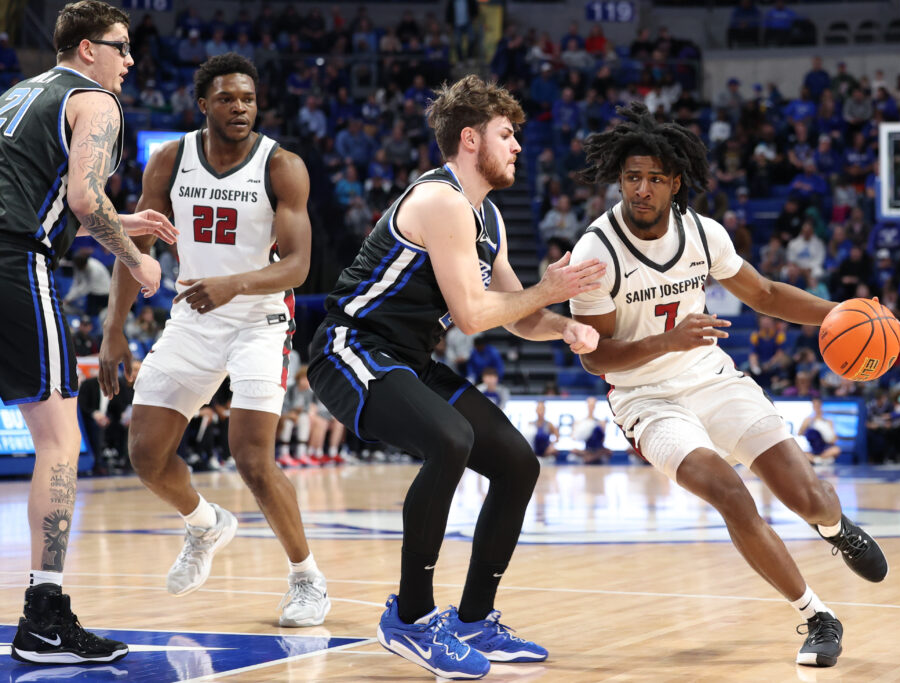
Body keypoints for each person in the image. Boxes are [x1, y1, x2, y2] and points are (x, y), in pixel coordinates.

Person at [570, 103, 889, 668]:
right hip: (646, 401)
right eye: (630, 178)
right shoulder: (597, 252)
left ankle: (835, 529)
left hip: (713, 379)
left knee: (808, 498)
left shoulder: (702, 233)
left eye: (653, 179)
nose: (640, 189)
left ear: (675, 183)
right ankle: (817, 615)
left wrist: (840, 314)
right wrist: (669, 341)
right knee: (731, 496)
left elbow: (763, 294)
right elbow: (598, 360)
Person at [306, 75, 603, 679]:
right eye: (506, 134)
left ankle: (473, 619)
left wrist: (564, 326)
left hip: (407, 357)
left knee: (518, 463)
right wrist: (550, 291)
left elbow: (515, 314)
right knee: (449, 438)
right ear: (470, 139)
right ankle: (410, 619)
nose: (517, 145)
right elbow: (471, 315)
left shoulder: (485, 213)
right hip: (350, 347)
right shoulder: (441, 201)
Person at [98, 53, 330, 627]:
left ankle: (307, 579)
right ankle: (205, 524)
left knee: (252, 458)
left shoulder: (283, 166)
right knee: (146, 455)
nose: (240, 107)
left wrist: (236, 284)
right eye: (227, 98)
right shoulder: (171, 159)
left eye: (248, 99)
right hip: (193, 315)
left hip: (259, 321)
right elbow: (137, 249)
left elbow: (299, 266)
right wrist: (112, 332)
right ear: (204, 105)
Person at [0, 0, 174, 665]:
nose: (129, 61)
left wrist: (124, 220)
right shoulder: (96, 102)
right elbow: (78, 201)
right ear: (85, 49)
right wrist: (138, 261)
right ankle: (44, 614)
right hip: (14, 264)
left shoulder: (19, 93)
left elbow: (45, 200)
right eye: (121, 46)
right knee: (59, 440)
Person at [798, 397, 841, 465]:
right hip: (812, 448)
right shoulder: (808, 420)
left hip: (825, 447)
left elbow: (834, 438)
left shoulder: (828, 420)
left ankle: (818, 459)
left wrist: (829, 438)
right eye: (814, 405)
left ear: (821, 405)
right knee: (802, 454)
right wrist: (806, 428)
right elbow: (799, 433)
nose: (816, 407)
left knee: (836, 450)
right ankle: (820, 460)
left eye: (818, 405)